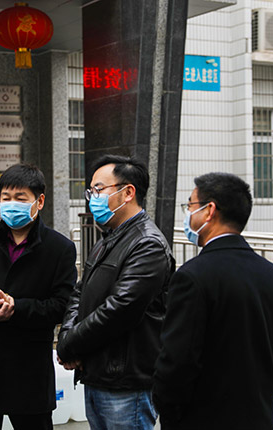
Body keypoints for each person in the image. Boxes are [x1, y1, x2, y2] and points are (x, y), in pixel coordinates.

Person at [152, 172, 273, 430]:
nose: (188, 214)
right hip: (258, 418)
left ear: (209, 211)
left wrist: (171, 414)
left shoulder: (191, 277)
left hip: (202, 419)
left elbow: (177, 362)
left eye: (190, 205)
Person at [0, 163, 77, 430]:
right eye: (5, 198)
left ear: (39, 201)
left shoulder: (59, 248)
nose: (11, 205)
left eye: (20, 198)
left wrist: (16, 307)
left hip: (29, 369)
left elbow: (61, 305)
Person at [57, 155, 175, 430]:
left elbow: (120, 310)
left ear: (128, 192)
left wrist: (70, 344)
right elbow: (80, 293)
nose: (92, 199)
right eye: (90, 191)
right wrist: (68, 337)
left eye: (99, 190)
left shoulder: (147, 243)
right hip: (97, 372)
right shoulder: (108, 239)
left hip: (125, 383)